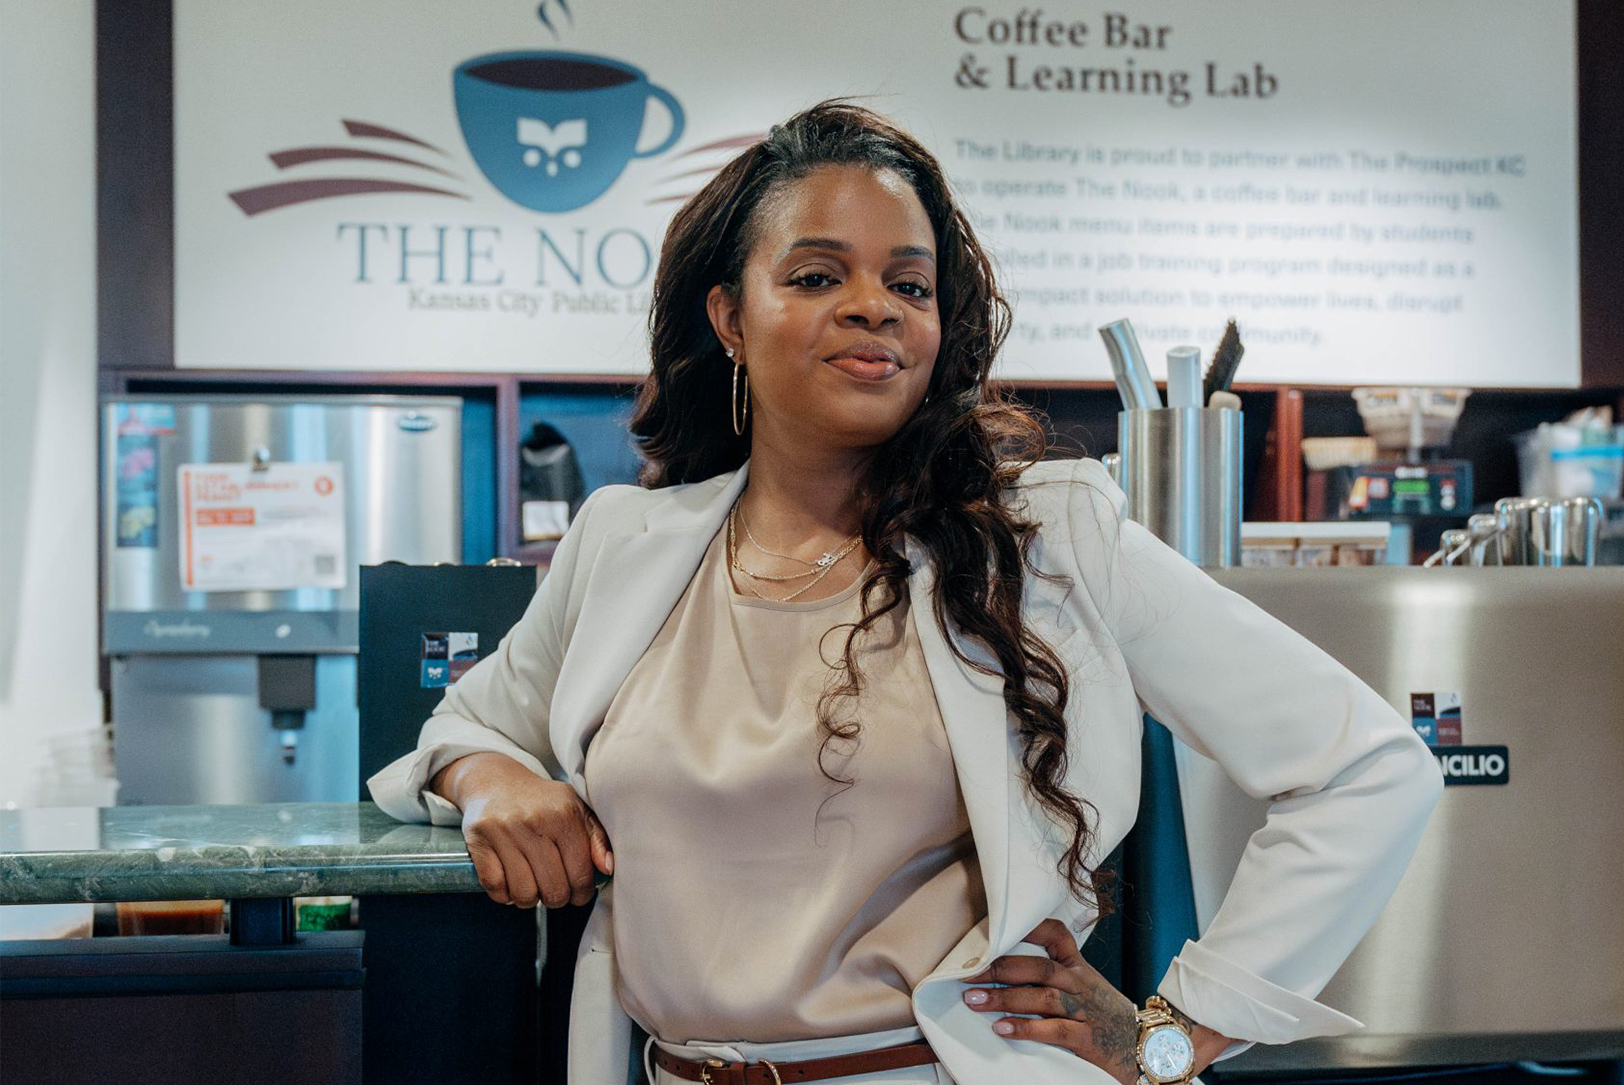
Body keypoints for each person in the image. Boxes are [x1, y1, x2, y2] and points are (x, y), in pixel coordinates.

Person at [368, 101, 1442, 1085]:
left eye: (909, 284)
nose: (872, 307)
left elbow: (1363, 765)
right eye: (816, 275)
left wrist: (1175, 1033)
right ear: (729, 317)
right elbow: (464, 724)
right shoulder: (626, 543)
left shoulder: (1045, 537)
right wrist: (487, 775)